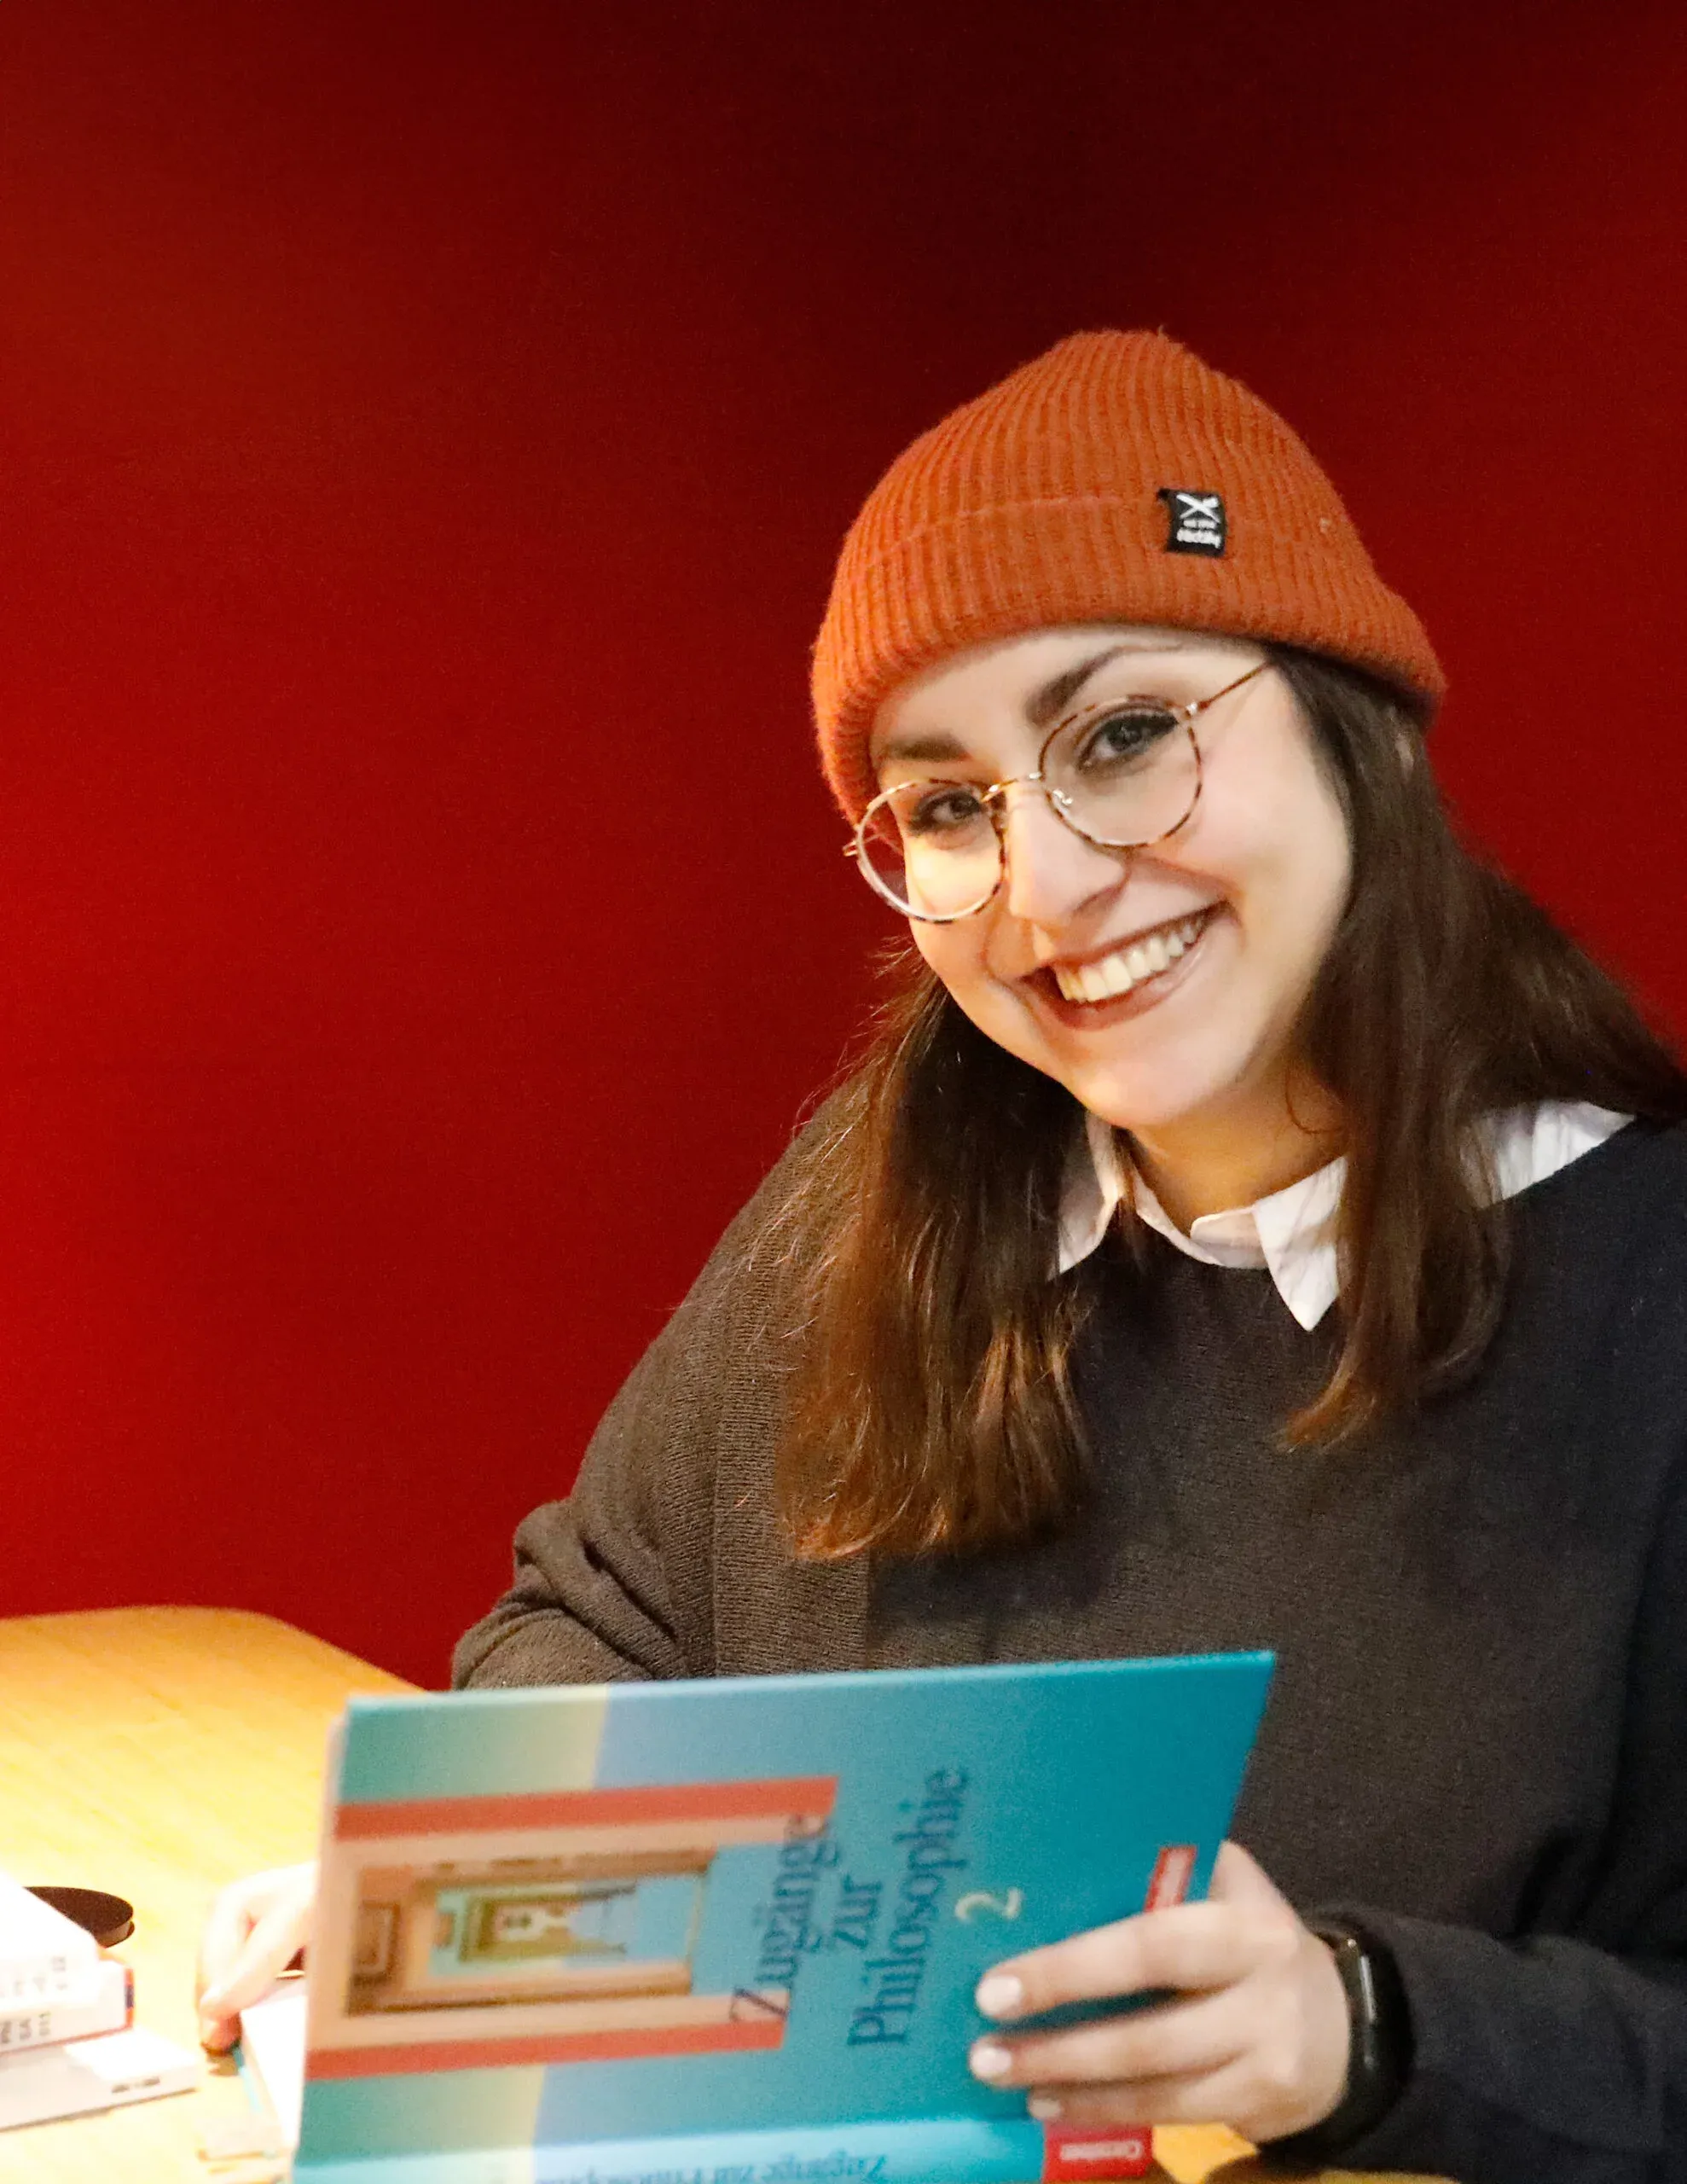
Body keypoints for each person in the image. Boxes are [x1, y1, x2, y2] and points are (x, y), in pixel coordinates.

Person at [198, 331, 1687, 2181]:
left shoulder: (1644, 1301)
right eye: (950, 807)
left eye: (1122, 736)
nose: (1045, 889)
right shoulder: (885, 1183)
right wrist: (495, 1896)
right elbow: (595, 1621)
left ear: (1356, 728)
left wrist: (1359, 2026)